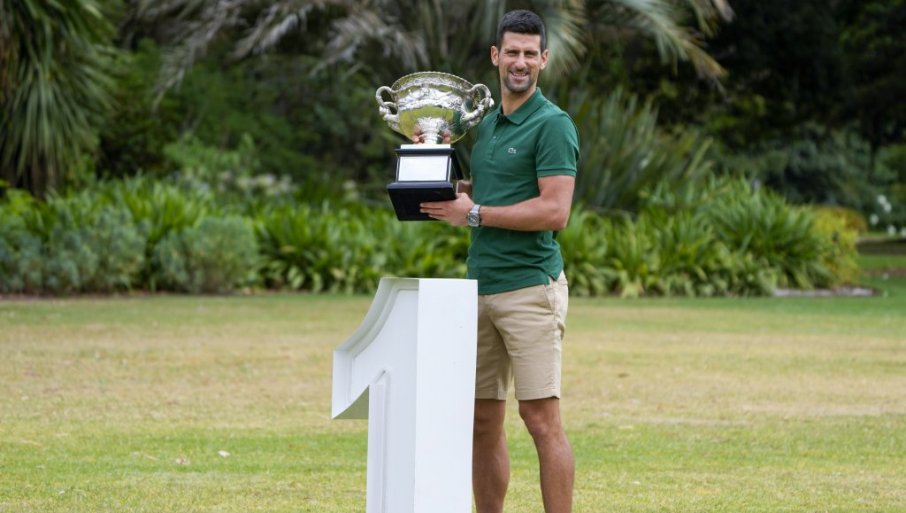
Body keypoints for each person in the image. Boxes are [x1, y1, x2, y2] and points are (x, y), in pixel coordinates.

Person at [419, 9, 579, 513]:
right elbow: (485, 192)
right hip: (479, 290)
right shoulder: (487, 125)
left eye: (530, 53)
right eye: (512, 51)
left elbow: (555, 211)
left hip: (530, 289)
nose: (520, 62)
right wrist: (435, 176)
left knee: (540, 420)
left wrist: (474, 213)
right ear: (496, 55)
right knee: (481, 421)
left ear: (544, 59)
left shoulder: (553, 125)